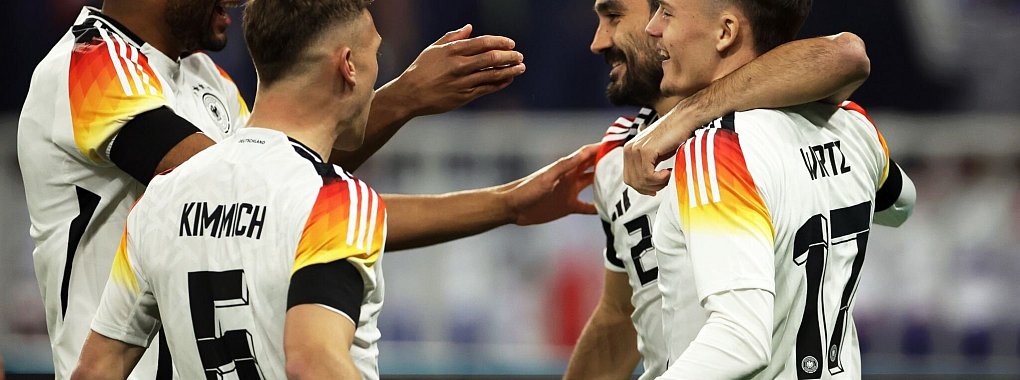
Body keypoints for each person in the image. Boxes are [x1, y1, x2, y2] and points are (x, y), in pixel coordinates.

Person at [69, 1, 597, 379]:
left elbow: (96, 369)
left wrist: (507, 204)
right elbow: (314, 362)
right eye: (374, 57)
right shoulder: (337, 202)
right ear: (348, 66)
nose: (377, 74)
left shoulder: (159, 200)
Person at [564, 0, 874, 378]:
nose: (599, 41)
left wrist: (692, 112)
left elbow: (739, 338)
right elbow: (619, 315)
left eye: (614, 17)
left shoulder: (721, 146)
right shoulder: (618, 157)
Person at [644, 0, 916, 378]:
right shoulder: (852, 125)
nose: (652, 28)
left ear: (726, 32)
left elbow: (739, 340)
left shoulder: (719, 148)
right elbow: (901, 205)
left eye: (667, 12)